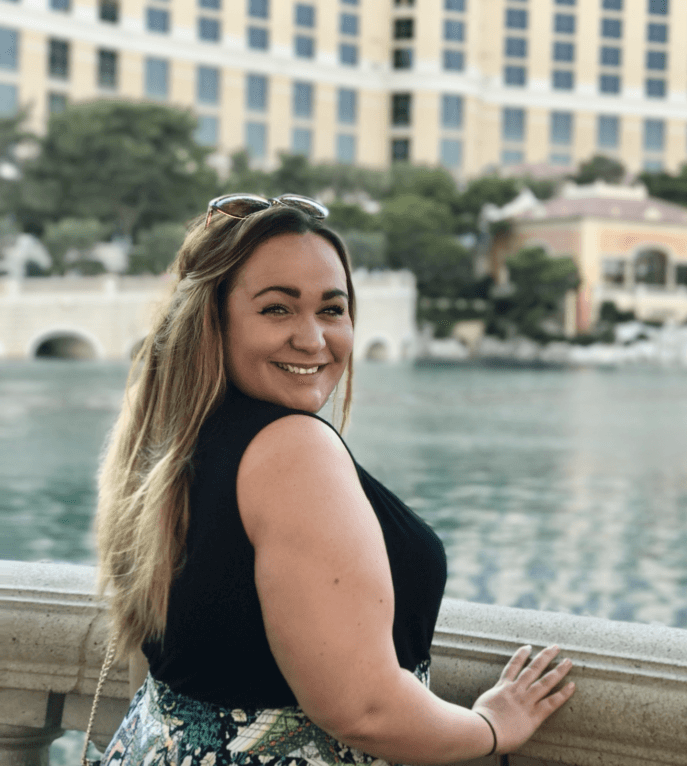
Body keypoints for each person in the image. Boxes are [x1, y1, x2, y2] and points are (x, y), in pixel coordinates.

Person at [93, 193, 575, 766]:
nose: (313, 339)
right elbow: (363, 710)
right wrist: (492, 726)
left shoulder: (166, 440)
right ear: (212, 320)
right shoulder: (293, 451)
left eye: (331, 309)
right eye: (277, 309)